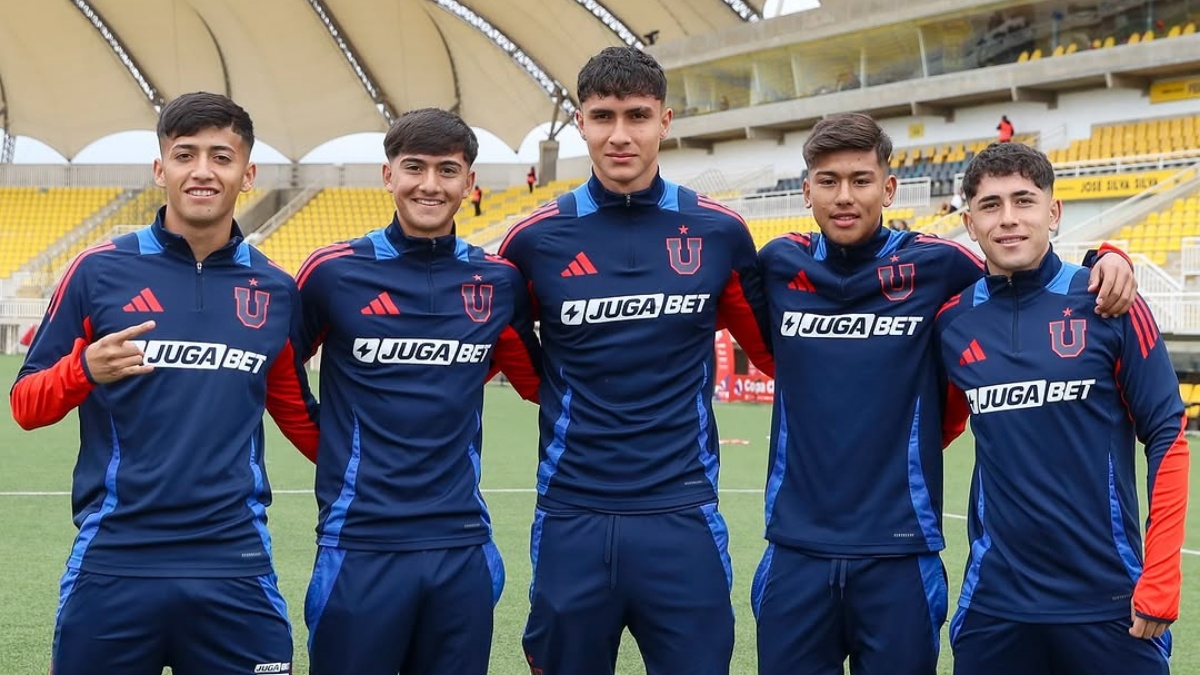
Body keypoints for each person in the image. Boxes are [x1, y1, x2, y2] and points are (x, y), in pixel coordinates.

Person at [752, 113, 1137, 675]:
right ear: (806, 189)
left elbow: (1022, 266)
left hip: (900, 553)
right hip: (795, 550)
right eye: (828, 181)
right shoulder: (778, 265)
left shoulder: (940, 266)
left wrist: (1107, 257)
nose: (844, 196)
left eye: (861, 180)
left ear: (888, 188)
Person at [11, 91, 319, 675]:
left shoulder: (276, 290)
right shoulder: (98, 270)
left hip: (235, 562)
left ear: (247, 174)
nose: (203, 171)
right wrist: (84, 371)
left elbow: (302, 419)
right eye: (185, 155)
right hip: (116, 558)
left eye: (221, 157)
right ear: (161, 169)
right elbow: (26, 405)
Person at [498, 46, 774, 675]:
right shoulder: (534, 239)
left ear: (666, 120)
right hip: (572, 511)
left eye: (638, 116)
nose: (620, 135)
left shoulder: (719, 232)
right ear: (579, 122)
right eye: (603, 117)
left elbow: (776, 353)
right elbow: (507, 353)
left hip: (683, 511)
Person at [296, 108, 542, 675]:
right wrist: (328, 445)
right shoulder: (333, 273)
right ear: (388, 176)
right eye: (414, 168)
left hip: (461, 543)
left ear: (469, 183)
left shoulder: (497, 281)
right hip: (360, 541)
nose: (430, 185)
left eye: (447, 170)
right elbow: (278, 373)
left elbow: (536, 382)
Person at [937, 141, 1188, 675]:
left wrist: (1161, 576)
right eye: (990, 205)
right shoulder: (953, 322)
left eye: (1024, 201)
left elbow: (1168, 434)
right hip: (995, 606)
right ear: (970, 221)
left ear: (1053, 212)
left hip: (1110, 603)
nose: (1008, 219)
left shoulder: (1108, 302)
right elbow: (931, 430)